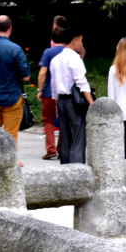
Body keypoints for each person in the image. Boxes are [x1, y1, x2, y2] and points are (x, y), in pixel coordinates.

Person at [51, 28, 92, 164]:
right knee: (78, 136)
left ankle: (66, 166)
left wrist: (56, 103)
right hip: (74, 101)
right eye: (80, 41)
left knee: (65, 136)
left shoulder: (56, 60)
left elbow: (54, 84)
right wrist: (91, 103)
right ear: (74, 41)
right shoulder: (74, 58)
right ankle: (78, 168)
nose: (81, 44)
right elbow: (82, 82)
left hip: (61, 100)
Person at [36, 24, 67, 160]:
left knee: (47, 120)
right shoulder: (68, 52)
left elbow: (43, 73)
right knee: (63, 120)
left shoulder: (48, 52)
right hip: (64, 92)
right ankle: (61, 148)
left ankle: (50, 148)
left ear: (52, 39)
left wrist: (39, 89)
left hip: (49, 91)